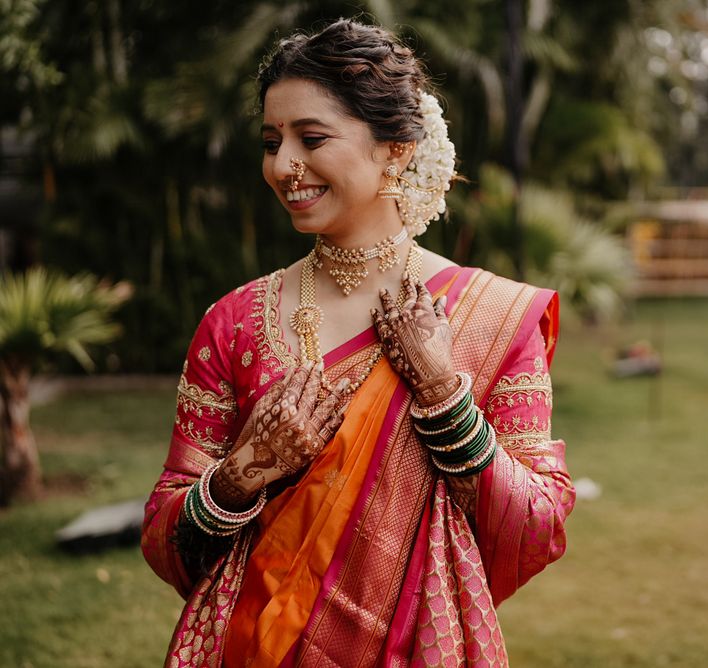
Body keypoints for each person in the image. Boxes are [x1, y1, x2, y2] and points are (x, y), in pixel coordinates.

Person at [141, 18, 575, 668]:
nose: (283, 165)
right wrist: (242, 473)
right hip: (254, 647)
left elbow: (536, 527)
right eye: (270, 141)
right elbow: (164, 536)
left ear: (395, 149)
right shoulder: (232, 322)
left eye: (311, 138)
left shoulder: (492, 317)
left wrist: (443, 393)